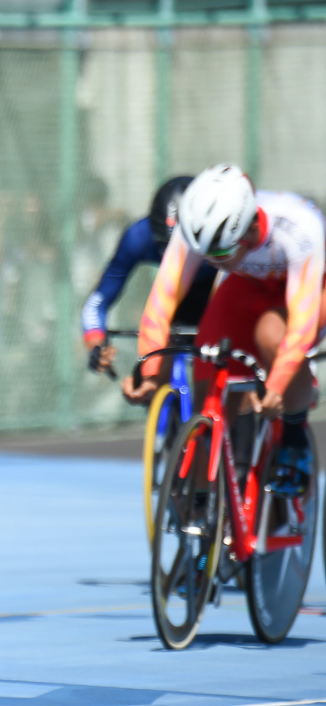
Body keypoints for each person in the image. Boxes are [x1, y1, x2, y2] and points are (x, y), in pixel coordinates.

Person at [122, 163, 326, 495]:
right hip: (248, 285)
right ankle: (211, 509)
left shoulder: (299, 228)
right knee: (210, 363)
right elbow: (163, 299)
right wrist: (148, 370)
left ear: (246, 231)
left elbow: (301, 322)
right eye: (204, 255)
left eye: (219, 254)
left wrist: (278, 385)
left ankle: (294, 435)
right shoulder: (196, 233)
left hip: (308, 289)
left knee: (271, 334)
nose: (210, 262)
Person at [81, 175, 217, 374]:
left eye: (183, 245)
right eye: (164, 245)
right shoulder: (138, 237)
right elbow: (97, 302)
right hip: (172, 299)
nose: (173, 254)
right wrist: (95, 345)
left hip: (213, 290)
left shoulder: (219, 236)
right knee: (153, 375)